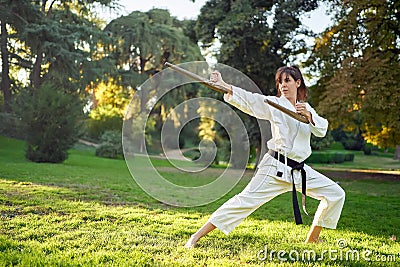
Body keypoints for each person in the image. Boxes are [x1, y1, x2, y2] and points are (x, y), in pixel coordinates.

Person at [184, 66, 345, 248]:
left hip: (298, 171)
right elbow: (251, 100)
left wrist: (309, 116)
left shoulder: (305, 108)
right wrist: (224, 85)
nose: (283, 85)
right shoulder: (273, 104)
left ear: (297, 83)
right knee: (243, 202)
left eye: (287, 81)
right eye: (280, 82)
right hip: (274, 168)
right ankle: (195, 237)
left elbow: (322, 129)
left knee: (335, 193)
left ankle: (313, 238)